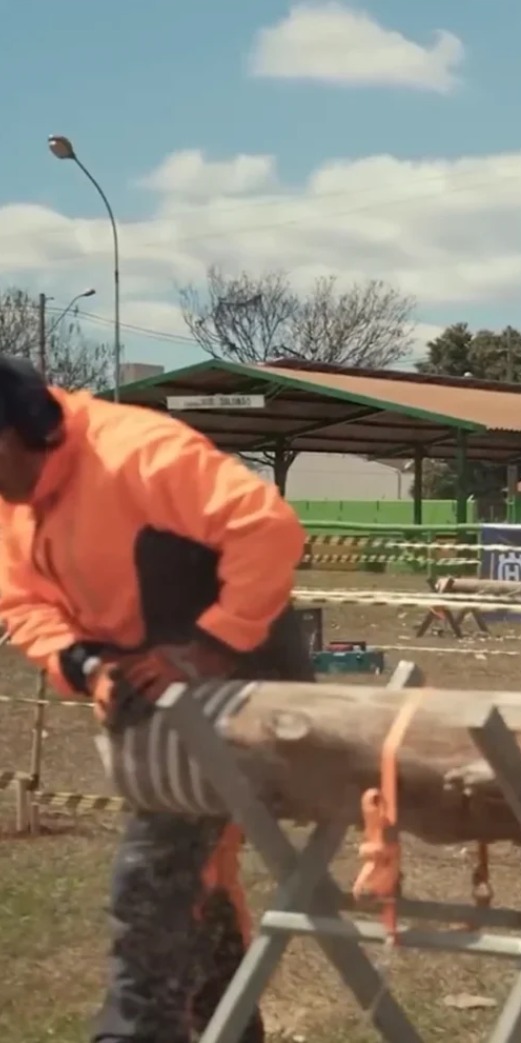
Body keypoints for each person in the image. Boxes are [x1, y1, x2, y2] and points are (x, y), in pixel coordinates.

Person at [0, 357, 315, 1043]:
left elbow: (266, 526)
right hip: (160, 712)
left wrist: (212, 644)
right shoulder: (14, 503)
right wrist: (87, 666)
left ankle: (133, 1031)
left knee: (152, 883)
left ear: (18, 428)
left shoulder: (139, 453)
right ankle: (228, 1026)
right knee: (198, 882)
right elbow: (21, 602)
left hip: (247, 694)